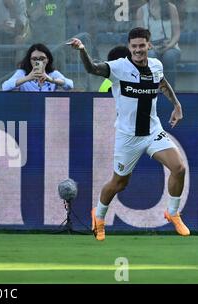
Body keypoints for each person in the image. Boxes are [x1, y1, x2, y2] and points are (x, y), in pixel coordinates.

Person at [68, 27, 189, 241]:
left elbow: (161, 83)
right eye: (134, 46)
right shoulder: (119, 68)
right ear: (129, 47)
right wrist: (82, 50)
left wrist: (176, 105)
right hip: (128, 137)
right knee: (119, 183)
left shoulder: (156, 65)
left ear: (149, 46)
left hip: (153, 132)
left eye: (142, 45)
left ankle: (172, 213)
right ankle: (99, 215)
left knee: (178, 168)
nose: (138, 50)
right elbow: (93, 69)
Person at [136, 0, 181, 89]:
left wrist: (169, 46)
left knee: (169, 56)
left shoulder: (171, 8)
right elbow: (140, 36)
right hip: (149, 47)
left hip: (170, 46)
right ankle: (151, 90)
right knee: (151, 55)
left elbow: (176, 34)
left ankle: (170, 91)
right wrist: (150, 45)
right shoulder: (141, 11)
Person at [2, 43, 73, 91]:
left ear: (47, 60)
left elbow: (70, 85)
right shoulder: (22, 73)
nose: (38, 62)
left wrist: (51, 79)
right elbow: (5, 87)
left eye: (42, 59)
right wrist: (27, 78)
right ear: (29, 60)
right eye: (34, 59)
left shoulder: (52, 74)